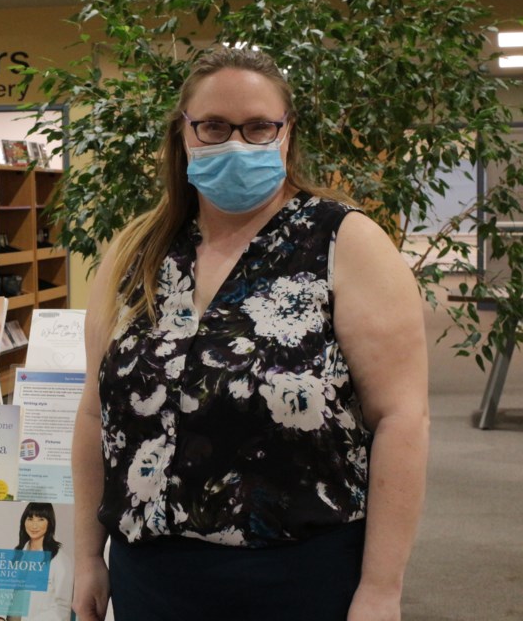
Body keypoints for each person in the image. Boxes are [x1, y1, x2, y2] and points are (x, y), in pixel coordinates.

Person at [71, 47, 429, 621]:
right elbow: (96, 414)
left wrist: (382, 588)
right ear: (182, 133)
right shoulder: (137, 250)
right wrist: (88, 555)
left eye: (259, 126)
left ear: (287, 135)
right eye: (213, 126)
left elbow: (401, 419)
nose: (236, 142)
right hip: (150, 577)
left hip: (297, 577)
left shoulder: (346, 243)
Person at [16, 502, 72, 621]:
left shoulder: (59, 559)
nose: (34, 525)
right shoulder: (18, 554)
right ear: (24, 521)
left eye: (41, 519)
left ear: (49, 523)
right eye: (30, 518)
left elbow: (63, 608)